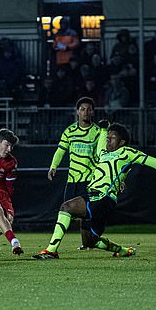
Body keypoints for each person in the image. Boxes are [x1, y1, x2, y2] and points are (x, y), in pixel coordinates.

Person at [34, 123, 156, 259]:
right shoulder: (103, 154)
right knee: (90, 241)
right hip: (96, 197)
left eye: (113, 137)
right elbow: (100, 146)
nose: (109, 139)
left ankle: (52, 250)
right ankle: (122, 251)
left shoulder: (127, 153)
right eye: (108, 137)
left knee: (66, 207)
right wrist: (103, 130)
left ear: (122, 141)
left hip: (102, 197)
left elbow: (155, 163)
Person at [47, 97, 103, 250]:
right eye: (83, 109)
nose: (86, 112)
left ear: (93, 112)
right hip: (72, 181)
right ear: (77, 111)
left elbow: (102, 155)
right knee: (67, 211)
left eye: (89, 109)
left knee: (85, 215)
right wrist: (53, 166)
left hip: (90, 180)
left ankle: (86, 243)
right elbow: (60, 150)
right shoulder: (70, 131)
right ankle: (57, 245)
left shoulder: (98, 132)